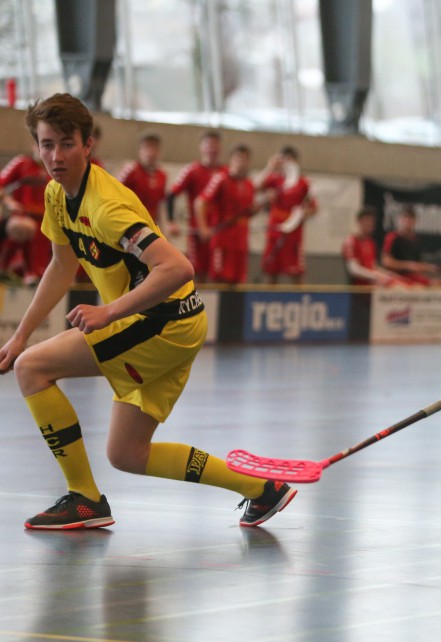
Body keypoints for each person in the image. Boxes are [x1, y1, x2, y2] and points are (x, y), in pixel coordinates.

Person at [0, 93, 296, 530]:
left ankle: (85, 498)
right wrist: (21, 334)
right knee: (128, 454)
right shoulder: (56, 195)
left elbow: (177, 267)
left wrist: (109, 312)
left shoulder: (107, 207)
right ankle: (261, 489)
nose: (56, 156)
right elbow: (61, 265)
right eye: (47, 145)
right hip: (176, 322)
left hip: (163, 322)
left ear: (87, 145)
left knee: (32, 369)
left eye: (66, 144)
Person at [166, 130, 225, 283]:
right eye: (208, 144)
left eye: (215, 145)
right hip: (197, 233)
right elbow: (171, 194)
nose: (212, 149)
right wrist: (171, 221)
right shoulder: (193, 170)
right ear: (201, 147)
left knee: (221, 273)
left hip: (220, 232)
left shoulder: (226, 172)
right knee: (196, 271)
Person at [254, 146, 317, 285]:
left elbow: (313, 208)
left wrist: (300, 214)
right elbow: (255, 187)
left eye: (290, 160)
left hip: (293, 234)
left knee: (296, 274)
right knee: (271, 273)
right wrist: (269, 167)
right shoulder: (274, 179)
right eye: (284, 160)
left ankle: (301, 298)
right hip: (274, 231)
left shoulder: (303, 182)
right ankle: (269, 298)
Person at [194, 144, 256, 285]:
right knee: (219, 279)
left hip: (241, 241)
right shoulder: (221, 179)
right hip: (223, 239)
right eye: (238, 158)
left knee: (239, 280)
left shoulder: (249, 184)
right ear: (231, 159)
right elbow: (200, 202)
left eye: (245, 159)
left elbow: (247, 212)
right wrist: (203, 228)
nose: (241, 162)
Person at [0, 146, 51, 284]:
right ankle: (5, 267)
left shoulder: (55, 169)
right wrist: (10, 203)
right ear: (34, 146)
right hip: (21, 217)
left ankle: (34, 273)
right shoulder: (21, 163)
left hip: (46, 222)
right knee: (22, 228)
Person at [381, 205, 441, 286]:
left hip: (413, 278)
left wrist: (428, 268)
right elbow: (387, 262)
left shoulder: (415, 240)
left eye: (410, 219)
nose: (407, 221)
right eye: (405, 218)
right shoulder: (392, 237)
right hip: (395, 277)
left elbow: (418, 266)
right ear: (399, 220)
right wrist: (409, 266)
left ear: (415, 221)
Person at [342, 206, 406, 286]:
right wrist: (376, 276)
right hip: (358, 288)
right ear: (359, 221)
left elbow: (373, 266)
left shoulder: (370, 242)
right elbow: (354, 269)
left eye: (371, 221)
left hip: (373, 286)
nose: (369, 224)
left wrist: (389, 274)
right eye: (366, 221)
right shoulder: (351, 241)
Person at [117, 132, 168, 226]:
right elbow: (115, 196)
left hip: (150, 225)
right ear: (140, 150)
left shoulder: (162, 175)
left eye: (154, 148)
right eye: (147, 147)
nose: (151, 152)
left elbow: (160, 206)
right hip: (130, 224)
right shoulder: (130, 171)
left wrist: (164, 228)